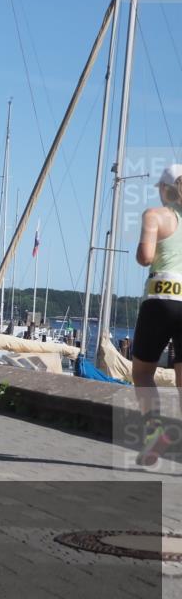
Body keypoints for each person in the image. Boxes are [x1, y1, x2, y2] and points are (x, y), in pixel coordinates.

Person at [131, 165, 182, 465]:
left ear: (164, 190)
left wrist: (142, 250)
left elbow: (146, 257)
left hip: (161, 299)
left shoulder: (155, 215)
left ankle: (155, 431)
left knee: (142, 373)